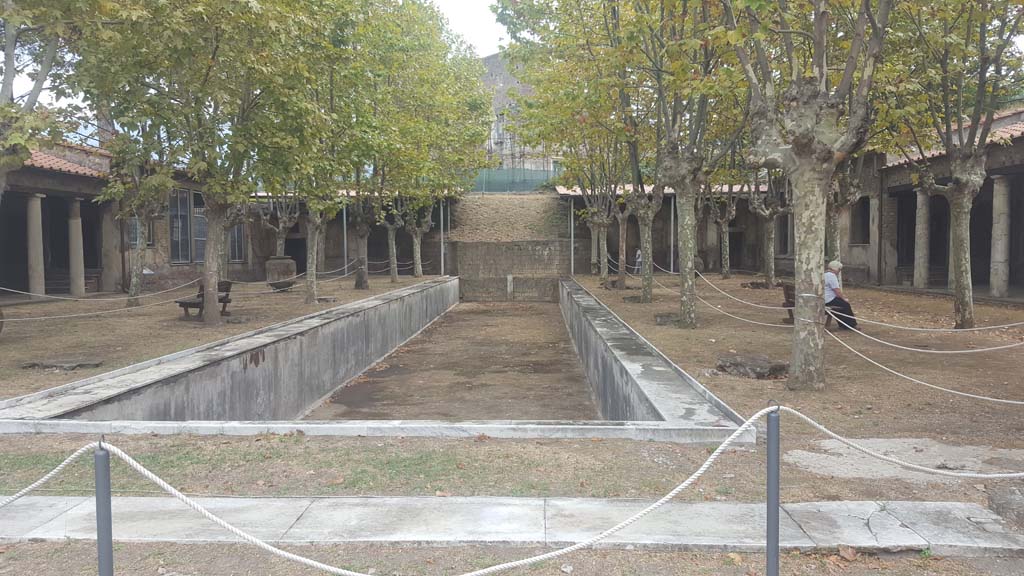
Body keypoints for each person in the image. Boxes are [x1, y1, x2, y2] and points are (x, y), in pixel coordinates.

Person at [824, 260, 857, 329]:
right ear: (836, 269)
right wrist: (844, 299)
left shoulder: (825, 274)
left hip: (825, 298)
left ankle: (843, 324)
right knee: (846, 305)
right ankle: (850, 325)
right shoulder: (832, 276)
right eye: (839, 269)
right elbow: (837, 291)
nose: (839, 271)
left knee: (841, 305)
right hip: (829, 299)